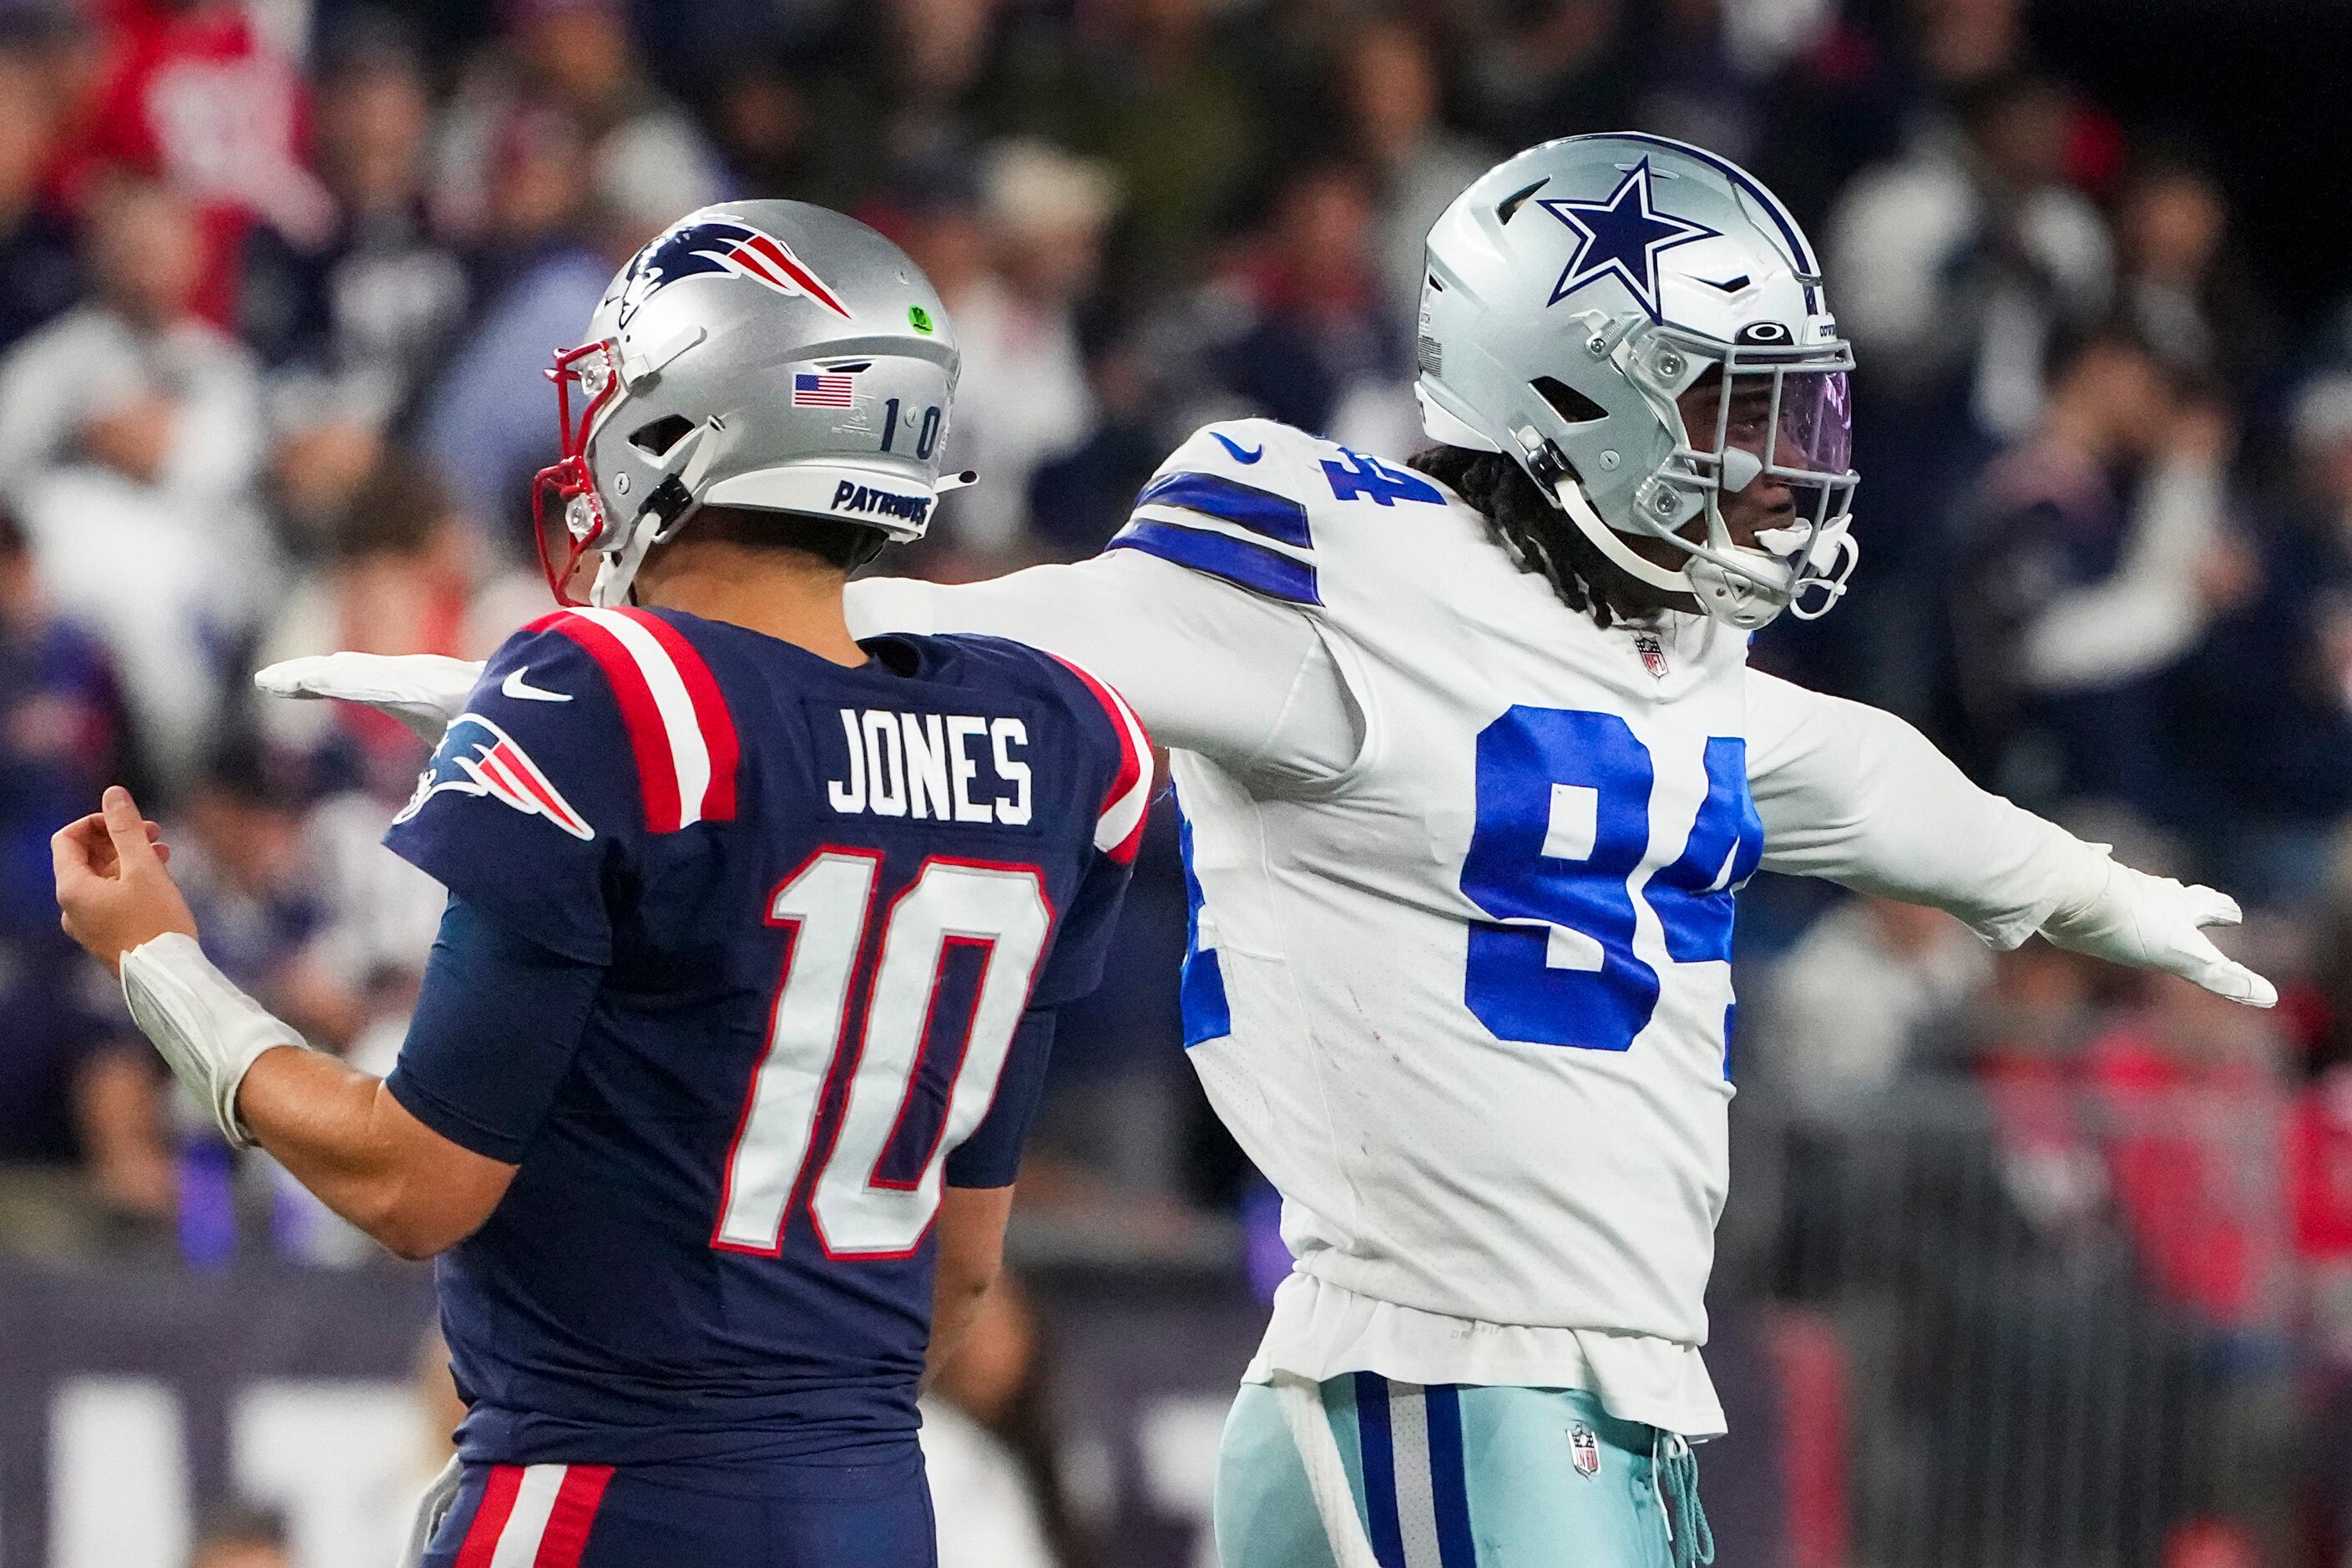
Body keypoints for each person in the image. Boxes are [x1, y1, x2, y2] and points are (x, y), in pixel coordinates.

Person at [258, 139, 2269, 1568]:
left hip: (1474, 1357)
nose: (1776, 468)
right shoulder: (1334, 579)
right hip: (1467, 1368)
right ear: (1562, 399)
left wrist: (2076, 886)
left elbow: (1852, 771)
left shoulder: (1666, 665)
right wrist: (565, 681)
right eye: (1729, 416)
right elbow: (1010, 631)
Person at [54, 200, 1150, 1568]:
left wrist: (158, 964)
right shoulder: (1061, 741)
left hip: (599, 1496)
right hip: (871, 1503)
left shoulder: (605, 698)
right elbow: (960, 1273)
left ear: (690, 417)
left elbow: (414, 1186)